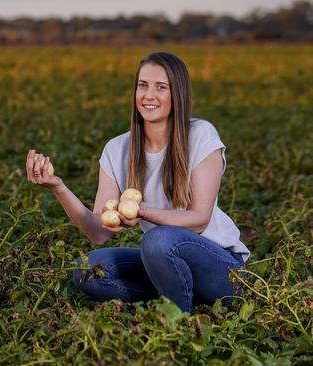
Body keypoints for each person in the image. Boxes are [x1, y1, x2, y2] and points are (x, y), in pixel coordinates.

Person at [25, 51, 250, 312]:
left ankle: (176, 321)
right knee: (89, 268)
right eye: (142, 85)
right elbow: (98, 231)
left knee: (157, 240)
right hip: (163, 261)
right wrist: (58, 187)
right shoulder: (117, 149)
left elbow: (199, 220)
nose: (149, 95)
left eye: (161, 87)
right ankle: (175, 295)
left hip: (223, 270)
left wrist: (142, 212)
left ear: (177, 94)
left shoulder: (200, 135)